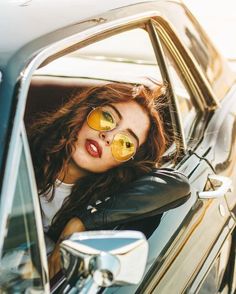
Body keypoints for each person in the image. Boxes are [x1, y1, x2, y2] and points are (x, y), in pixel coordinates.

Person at [28, 82, 191, 278]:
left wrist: (83, 220)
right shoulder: (24, 148)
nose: (108, 137)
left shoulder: (112, 193)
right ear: (84, 113)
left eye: (125, 143)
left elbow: (178, 184)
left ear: (126, 162)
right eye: (107, 118)